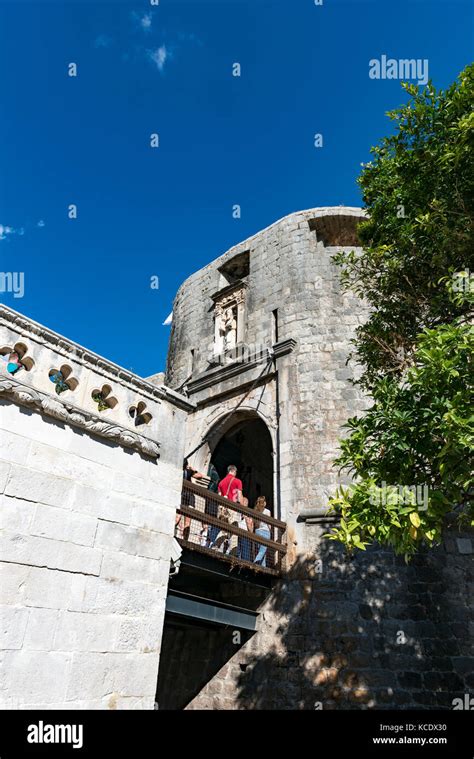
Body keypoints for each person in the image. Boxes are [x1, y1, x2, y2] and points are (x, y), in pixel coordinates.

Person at [253, 496, 272, 567]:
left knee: (262, 551)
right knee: (262, 551)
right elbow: (269, 524)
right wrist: (271, 532)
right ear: (264, 503)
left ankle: (263, 567)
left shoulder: (255, 511)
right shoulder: (267, 511)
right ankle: (254, 564)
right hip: (265, 532)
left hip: (257, 531)